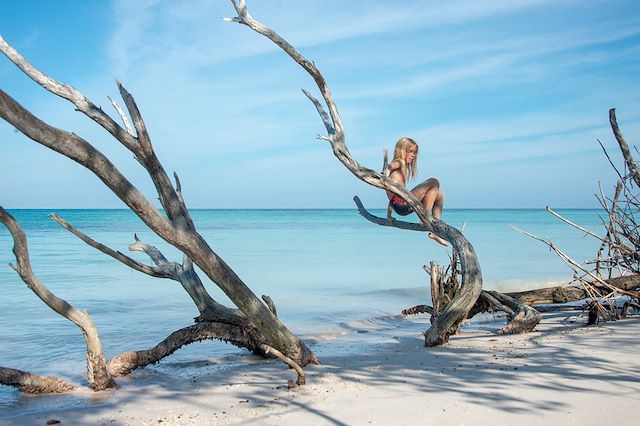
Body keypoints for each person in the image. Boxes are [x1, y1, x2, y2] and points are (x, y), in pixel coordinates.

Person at [385, 136, 448, 246]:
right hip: (403, 204)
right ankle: (425, 219)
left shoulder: (401, 171)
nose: (413, 155)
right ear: (402, 150)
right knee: (434, 181)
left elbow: (392, 197)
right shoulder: (400, 162)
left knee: (439, 195)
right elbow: (389, 167)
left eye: (415, 153)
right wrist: (384, 175)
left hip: (401, 207)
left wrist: (389, 215)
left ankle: (435, 230)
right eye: (410, 152)